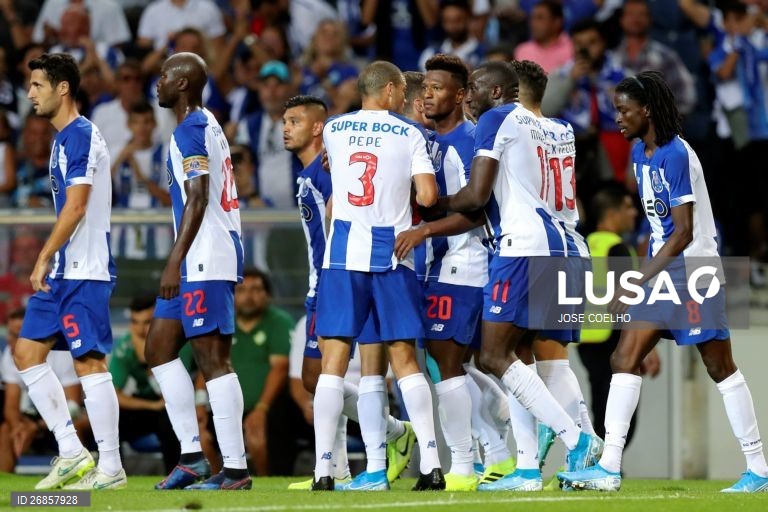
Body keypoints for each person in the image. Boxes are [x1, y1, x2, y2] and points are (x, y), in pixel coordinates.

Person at [558, 71, 768, 493]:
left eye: (624, 110)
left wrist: (635, 280)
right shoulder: (640, 152)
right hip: (662, 268)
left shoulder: (676, 154)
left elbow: (684, 232)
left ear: (647, 110)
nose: (618, 119)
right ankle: (609, 467)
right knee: (624, 357)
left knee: (719, 366)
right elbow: (659, 226)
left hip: (694, 270)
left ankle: (758, 468)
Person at [434, 61, 603, 491]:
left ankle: (577, 438)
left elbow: (477, 196)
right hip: (570, 247)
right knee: (531, 357)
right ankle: (528, 467)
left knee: (493, 355)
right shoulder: (561, 128)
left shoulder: (497, 119)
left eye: (474, 87)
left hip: (524, 249)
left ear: (499, 91)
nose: (467, 96)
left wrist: (432, 204)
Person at [311, 60, 443, 492]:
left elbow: (335, 182)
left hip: (342, 256)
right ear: (388, 89)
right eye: (402, 89)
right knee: (404, 360)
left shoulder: (333, 129)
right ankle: (432, 465)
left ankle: (323, 471)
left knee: (333, 364)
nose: (405, 97)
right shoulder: (410, 133)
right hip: (392, 256)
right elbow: (428, 195)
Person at [283, 93, 416, 490]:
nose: (286, 128)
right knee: (318, 376)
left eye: (294, 121)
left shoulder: (328, 171)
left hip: (341, 277)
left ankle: (390, 433)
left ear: (318, 128)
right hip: (325, 278)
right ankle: (340, 466)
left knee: (324, 373)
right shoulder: (310, 172)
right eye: (285, 121)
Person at [13, 52, 125, 490]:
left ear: (62, 89)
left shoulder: (80, 136)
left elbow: (77, 207)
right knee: (26, 354)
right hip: (64, 270)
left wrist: (43, 255)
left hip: (84, 270)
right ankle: (72, 451)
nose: (30, 94)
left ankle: (111, 467)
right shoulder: (62, 139)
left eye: (37, 85)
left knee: (89, 362)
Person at [145, 52, 250, 491]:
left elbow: (199, 195)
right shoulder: (205, 124)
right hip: (197, 257)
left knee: (213, 361)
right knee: (158, 349)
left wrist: (174, 259)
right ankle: (191, 457)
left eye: (165, 75)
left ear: (183, 83)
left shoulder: (190, 129)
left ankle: (236, 469)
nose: (158, 82)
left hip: (204, 257)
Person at [394, 54, 487, 492]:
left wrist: (425, 229)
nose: (427, 95)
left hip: (463, 262)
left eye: (436, 88)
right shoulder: (429, 139)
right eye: (426, 88)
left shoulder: (468, 141)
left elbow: (477, 210)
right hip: (435, 265)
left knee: (449, 363)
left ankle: (465, 465)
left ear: (461, 95)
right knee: (456, 362)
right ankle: (494, 453)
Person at [577, 183, 660, 446]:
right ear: (611, 213)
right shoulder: (618, 248)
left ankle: (599, 458)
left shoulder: (584, 245)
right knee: (622, 413)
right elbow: (627, 300)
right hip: (613, 339)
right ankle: (605, 460)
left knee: (600, 406)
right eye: (628, 207)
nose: (634, 212)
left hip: (586, 339)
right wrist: (647, 348)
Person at [0, 308, 84, 473]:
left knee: (75, 425)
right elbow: (11, 406)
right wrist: (18, 428)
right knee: (6, 429)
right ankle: (4, 479)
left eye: (18, 336)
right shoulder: (9, 356)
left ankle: (76, 475)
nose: (12, 341)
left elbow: (73, 406)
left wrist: (36, 426)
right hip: (40, 415)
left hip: (74, 415)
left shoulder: (62, 353)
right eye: (10, 334)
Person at [228, 268, 292, 476]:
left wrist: (261, 408)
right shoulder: (224, 323)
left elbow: (280, 367)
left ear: (267, 295)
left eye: (256, 290)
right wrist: (200, 403)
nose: (248, 296)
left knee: (262, 433)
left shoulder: (279, 322)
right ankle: (215, 481)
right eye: (241, 290)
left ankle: (266, 481)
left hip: (269, 407)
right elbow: (209, 367)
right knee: (201, 434)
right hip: (227, 408)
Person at [109, 295, 179, 474]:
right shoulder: (125, 346)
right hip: (149, 405)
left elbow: (171, 394)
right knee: (111, 421)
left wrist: (148, 358)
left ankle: (175, 475)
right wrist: (152, 406)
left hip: (173, 404)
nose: (140, 330)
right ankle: (113, 473)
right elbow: (114, 394)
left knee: (170, 422)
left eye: (147, 322)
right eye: (135, 322)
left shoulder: (175, 340)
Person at [111, 100, 172, 260]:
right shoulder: (114, 152)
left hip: (158, 237)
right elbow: (99, 194)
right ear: (128, 125)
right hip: (121, 237)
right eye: (136, 122)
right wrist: (119, 160)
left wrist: (142, 178)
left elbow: (170, 200)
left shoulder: (166, 153)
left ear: (155, 124)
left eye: (147, 122)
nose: (142, 128)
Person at [418, 0, 485, 71]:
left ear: (468, 18)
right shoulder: (430, 53)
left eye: (457, 20)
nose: (452, 26)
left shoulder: (483, 54)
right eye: (447, 21)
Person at [513, 0, 573, 74]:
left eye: (540, 18)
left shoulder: (572, 48)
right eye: (532, 18)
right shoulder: (522, 51)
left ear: (557, 22)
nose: (533, 23)